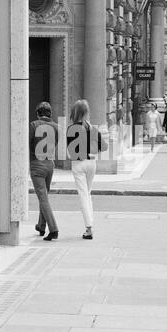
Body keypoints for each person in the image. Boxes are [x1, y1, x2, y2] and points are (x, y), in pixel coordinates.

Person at [67, 100, 108, 239]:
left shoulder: (72, 128)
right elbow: (104, 147)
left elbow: (71, 152)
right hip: (92, 163)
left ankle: (89, 227)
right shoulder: (93, 128)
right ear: (86, 112)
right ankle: (90, 223)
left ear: (75, 112)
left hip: (79, 164)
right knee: (88, 193)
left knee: (83, 195)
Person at [29, 102, 59, 241]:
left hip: (37, 164)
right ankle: (41, 226)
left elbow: (27, 143)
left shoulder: (33, 125)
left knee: (43, 197)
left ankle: (53, 229)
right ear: (50, 114)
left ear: (38, 114)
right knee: (44, 195)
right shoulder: (56, 127)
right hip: (49, 164)